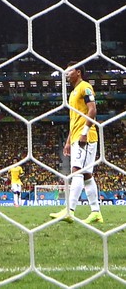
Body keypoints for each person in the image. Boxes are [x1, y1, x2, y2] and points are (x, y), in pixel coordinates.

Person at [50, 62, 103, 224]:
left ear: (78, 72)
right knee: (86, 175)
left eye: (69, 70)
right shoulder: (73, 93)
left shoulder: (85, 87)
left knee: (76, 171)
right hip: (76, 136)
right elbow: (74, 120)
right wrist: (67, 141)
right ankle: (96, 212)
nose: (66, 73)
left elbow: (92, 109)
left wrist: (84, 133)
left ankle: (69, 211)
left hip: (86, 137)